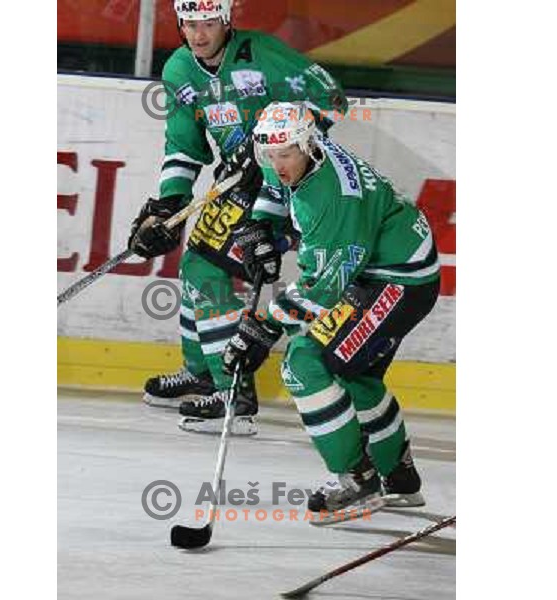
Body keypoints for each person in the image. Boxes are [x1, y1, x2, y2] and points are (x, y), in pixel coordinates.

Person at [127, 0, 348, 435]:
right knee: (195, 259)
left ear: (226, 20)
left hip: (289, 180)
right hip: (238, 184)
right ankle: (204, 371)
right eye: (190, 23)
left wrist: (274, 142)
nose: (199, 33)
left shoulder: (262, 52)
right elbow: (184, 145)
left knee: (202, 267)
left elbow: (333, 101)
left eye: (208, 22)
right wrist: (170, 203)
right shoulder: (179, 70)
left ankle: (234, 394)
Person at [222, 101, 440, 517]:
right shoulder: (286, 148)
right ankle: (400, 477)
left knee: (303, 363)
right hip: (385, 266)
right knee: (354, 374)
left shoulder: (332, 197)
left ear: (308, 145)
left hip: (397, 278)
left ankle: (357, 481)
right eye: (270, 154)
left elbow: (321, 289)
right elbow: (274, 188)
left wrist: (262, 330)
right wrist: (261, 228)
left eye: (285, 154)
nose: (277, 162)